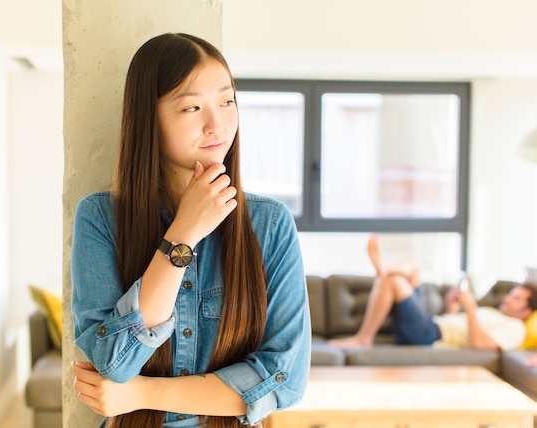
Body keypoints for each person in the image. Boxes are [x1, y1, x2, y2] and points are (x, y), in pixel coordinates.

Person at [69, 33, 311, 428]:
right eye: (192, 107)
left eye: (227, 101)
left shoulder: (269, 225)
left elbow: (284, 380)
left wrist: (142, 393)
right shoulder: (100, 218)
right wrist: (182, 234)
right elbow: (114, 361)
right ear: (150, 118)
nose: (217, 124)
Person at [328, 234, 537, 351]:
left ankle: (364, 337)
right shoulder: (497, 314)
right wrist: (453, 309)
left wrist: (471, 307)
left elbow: (480, 344)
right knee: (414, 267)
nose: (508, 297)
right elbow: (459, 330)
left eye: (517, 298)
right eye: (512, 293)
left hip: (427, 336)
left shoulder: (516, 328)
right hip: (432, 324)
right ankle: (384, 269)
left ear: (527, 311)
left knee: (395, 282)